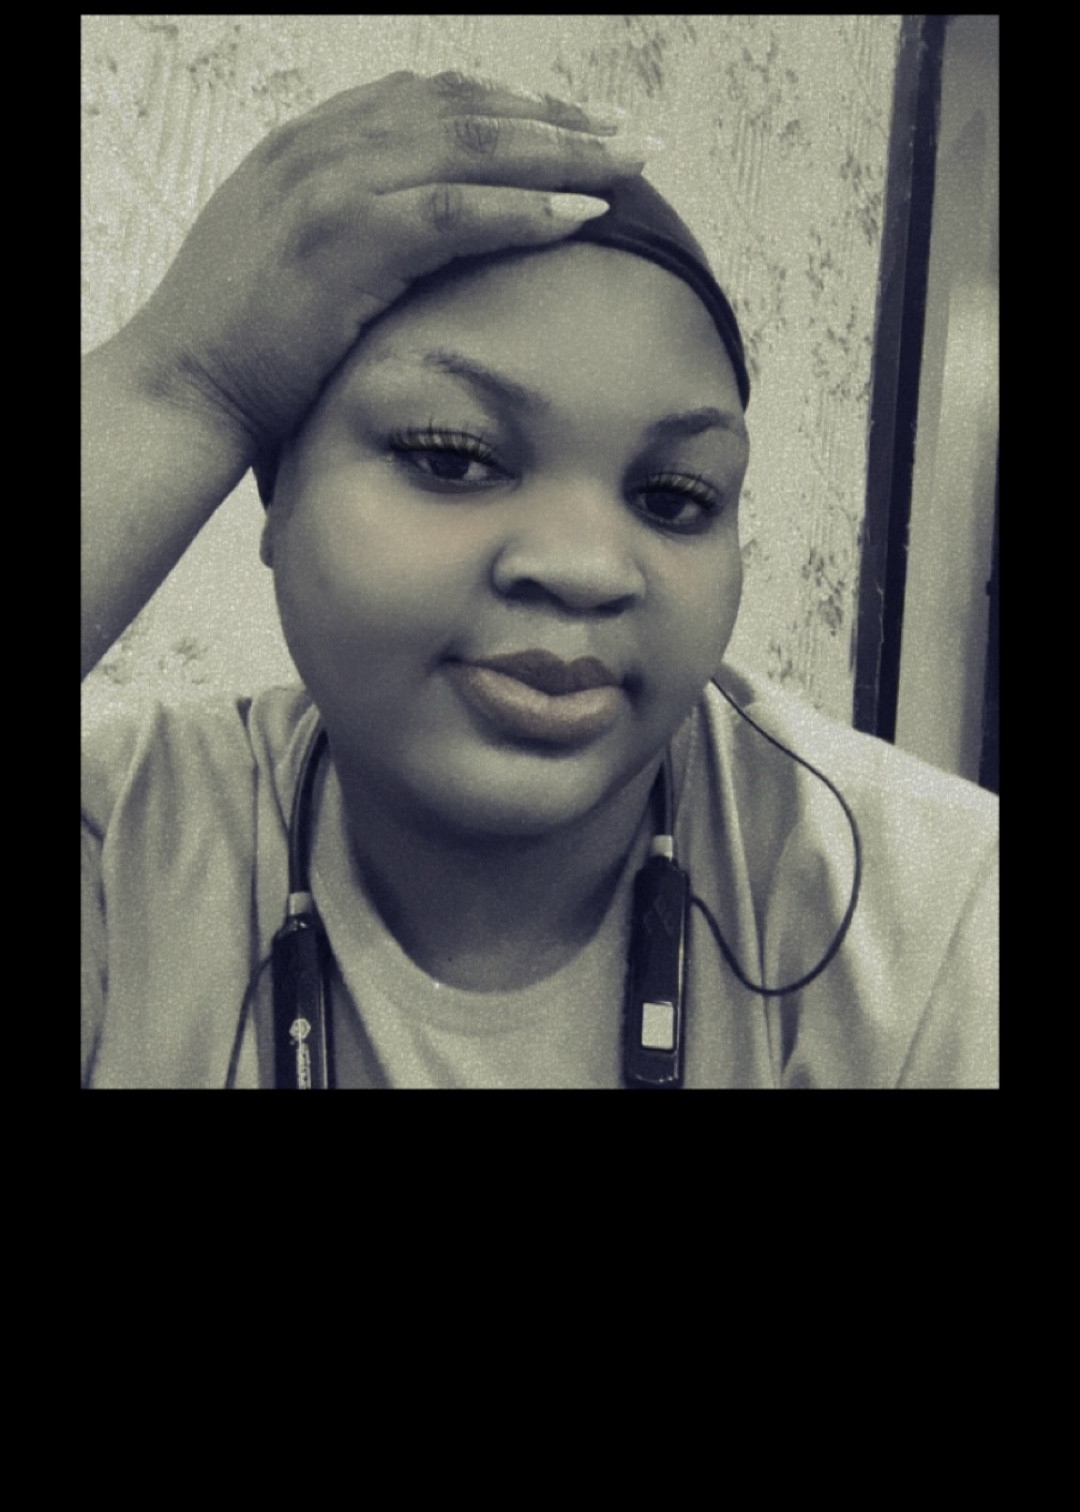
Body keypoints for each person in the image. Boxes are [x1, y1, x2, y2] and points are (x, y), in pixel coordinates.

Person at [81, 70, 999, 1089]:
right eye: (452, 456)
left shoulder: (935, 909)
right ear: (275, 488)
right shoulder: (124, 848)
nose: (585, 569)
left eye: (674, 497)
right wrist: (182, 381)